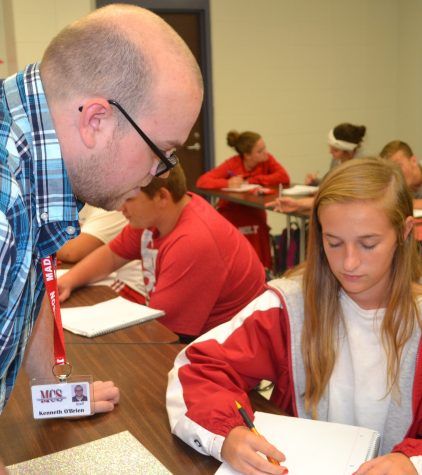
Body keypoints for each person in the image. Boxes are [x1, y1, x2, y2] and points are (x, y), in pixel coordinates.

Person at [0, 0, 203, 435]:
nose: (163, 172)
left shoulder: (40, 147)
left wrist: (51, 388)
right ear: (96, 120)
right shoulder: (4, 203)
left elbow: (33, 265)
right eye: (161, 151)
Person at [167, 158, 422, 475]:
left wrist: (411, 461)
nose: (349, 263)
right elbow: (195, 367)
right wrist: (227, 433)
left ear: (405, 232)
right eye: (334, 242)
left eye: (368, 244)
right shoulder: (289, 306)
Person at [58, 165, 266, 343]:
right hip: (200, 339)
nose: (121, 208)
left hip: (226, 352)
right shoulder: (154, 219)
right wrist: (68, 281)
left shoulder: (193, 241)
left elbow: (161, 331)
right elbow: (112, 255)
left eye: (128, 198)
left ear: (162, 197)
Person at [196, 130, 290, 271]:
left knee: (259, 236)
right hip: (232, 211)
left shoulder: (267, 160)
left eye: (264, 147)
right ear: (247, 155)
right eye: (260, 150)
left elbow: (283, 177)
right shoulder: (233, 164)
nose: (266, 152)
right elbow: (202, 181)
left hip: (255, 212)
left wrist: (254, 179)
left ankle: (263, 270)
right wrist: (227, 183)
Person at [271, 123, 366, 214]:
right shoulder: (337, 160)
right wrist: (315, 181)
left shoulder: (360, 168)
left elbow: (342, 196)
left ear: (349, 152)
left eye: (335, 150)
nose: (330, 152)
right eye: (330, 147)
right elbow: (331, 182)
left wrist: (300, 203)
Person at [380, 140, 422, 209]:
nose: (395, 173)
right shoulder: (392, 183)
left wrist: (406, 204)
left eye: (398, 166)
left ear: (413, 161)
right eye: (390, 169)